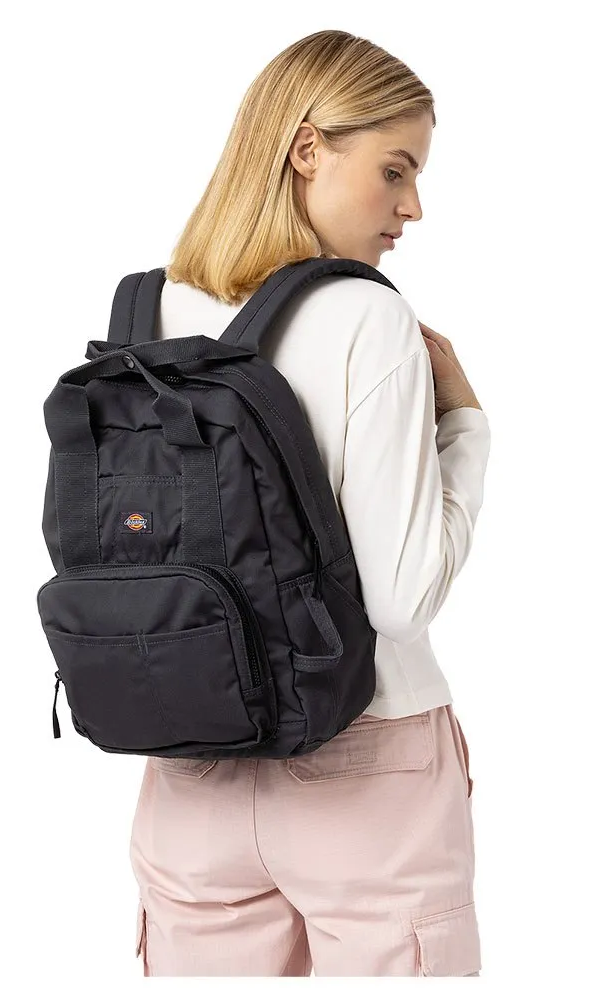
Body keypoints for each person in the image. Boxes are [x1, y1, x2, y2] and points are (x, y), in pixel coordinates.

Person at [129, 29, 490, 976]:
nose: (413, 207)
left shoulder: (151, 312)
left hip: (192, 769)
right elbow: (401, 599)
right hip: (368, 764)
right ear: (306, 150)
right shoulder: (368, 313)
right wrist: (466, 430)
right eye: (395, 170)